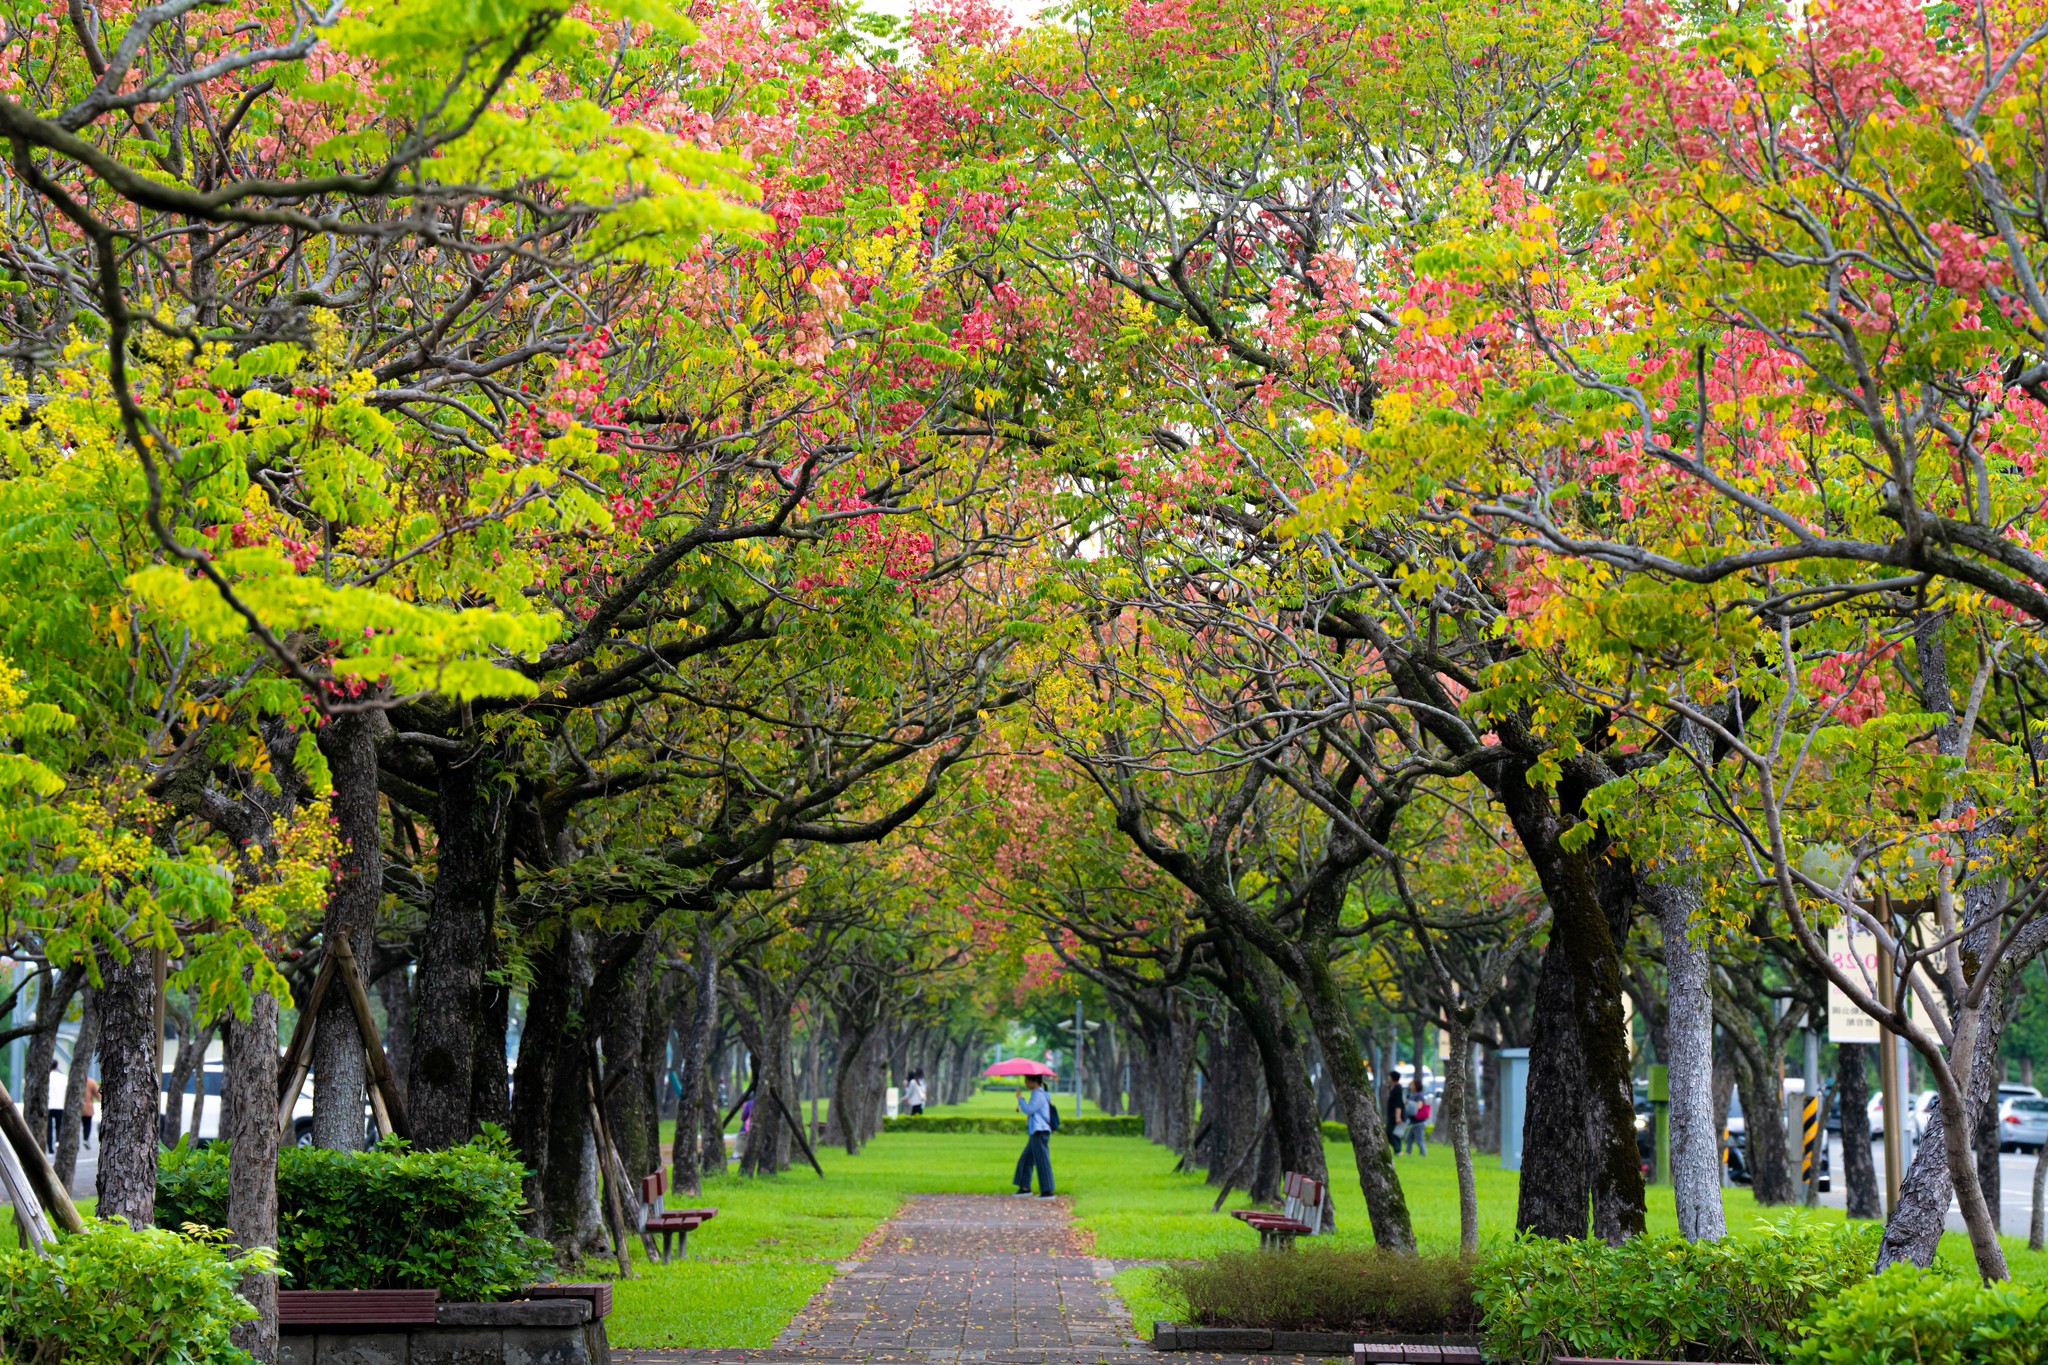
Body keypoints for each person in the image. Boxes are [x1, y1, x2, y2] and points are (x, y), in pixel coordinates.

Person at [1013, 1073, 1055, 1197]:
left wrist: (1020, 1099)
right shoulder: (1038, 1094)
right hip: (1036, 1131)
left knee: (1042, 1161)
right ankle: (1024, 1187)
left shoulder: (1038, 1094)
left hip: (1040, 1131)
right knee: (1025, 1159)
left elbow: (1029, 1109)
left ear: (1034, 1081)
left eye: (1026, 1080)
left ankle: (1047, 1191)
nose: (1025, 1083)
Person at [1403, 1077, 1429, 1155]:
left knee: (1419, 1140)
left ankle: (1423, 1154)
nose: (1410, 1086)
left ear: (1416, 1086)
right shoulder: (1411, 1095)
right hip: (1413, 1122)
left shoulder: (1419, 1096)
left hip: (1419, 1122)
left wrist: (1409, 1103)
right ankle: (1408, 1154)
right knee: (1408, 1139)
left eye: (1412, 1084)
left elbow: (1419, 1106)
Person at [1384, 1074, 1406, 1153]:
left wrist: (1398, 1116)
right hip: (1396, 1115)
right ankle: (1398, 1152)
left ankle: (1398, 1150)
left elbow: (1398, 1104)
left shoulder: (1397, 1089)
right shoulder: (1395, 1088)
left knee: (1389, 1133)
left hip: (1395, 1115)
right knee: (1396, 1134)